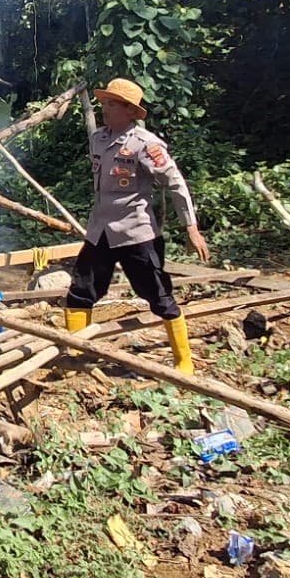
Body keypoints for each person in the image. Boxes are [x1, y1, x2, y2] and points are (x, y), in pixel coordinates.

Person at [65, 78, 210, 374]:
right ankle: (77, 356)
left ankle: (184, 362)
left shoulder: (146, 145)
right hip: (100, 231)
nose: (105, 109)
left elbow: (176, 184)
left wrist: (191, 228)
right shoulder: (99, 139)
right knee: (81, 290)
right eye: (105, 103)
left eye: (113, 104)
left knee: (158, 295)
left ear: (131, 111)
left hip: (136, 232)